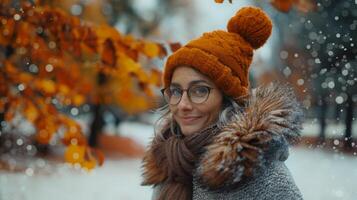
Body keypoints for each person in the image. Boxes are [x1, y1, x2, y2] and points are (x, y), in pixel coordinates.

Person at [141, 6, 304, 200]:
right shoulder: (170, 164)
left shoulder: (267, 180)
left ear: (228, 98)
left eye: (200, 90)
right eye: (176, 91)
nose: (183, 105)